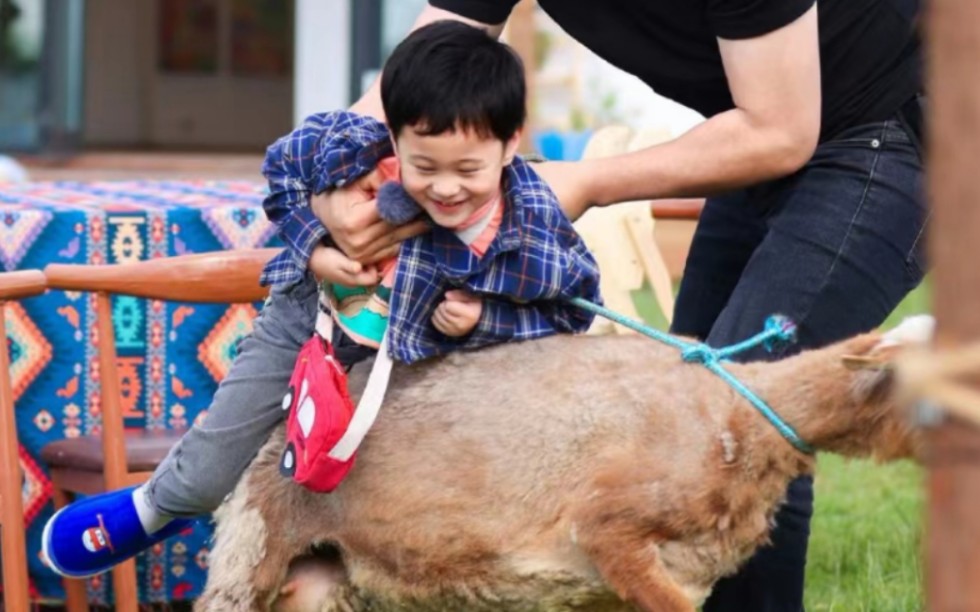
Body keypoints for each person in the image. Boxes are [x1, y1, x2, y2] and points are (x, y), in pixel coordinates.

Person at [318, 1, 927, 611]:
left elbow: (778, 132)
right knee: (691, 430)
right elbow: (415, 74)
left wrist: (586, 181)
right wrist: (332, 179)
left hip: (893, 127)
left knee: (745, 427)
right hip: (765, 126)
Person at [41, 20, 600, 578]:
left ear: (510, 142)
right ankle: (158, 507)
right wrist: (313, 246)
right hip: (310, 317)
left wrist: (485, 318)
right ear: (396, 134)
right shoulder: (354, 149)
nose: (446, 188)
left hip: (416, 369)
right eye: (423, 166)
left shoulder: (528, 227)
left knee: (402, 503)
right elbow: (281, 170)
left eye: (468, 170)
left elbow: (573, 311)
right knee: (210, 465)